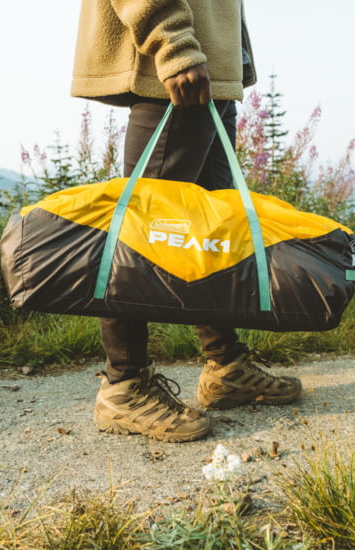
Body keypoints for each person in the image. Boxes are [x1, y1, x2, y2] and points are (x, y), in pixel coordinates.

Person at [70, 0, 302, 443]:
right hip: (179, 67)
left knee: (211, 230)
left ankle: (227, 366)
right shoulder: (178, 56)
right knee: (140, 232)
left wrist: (230, 58)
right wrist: (175, 46)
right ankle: (123, 386)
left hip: (210, 69)